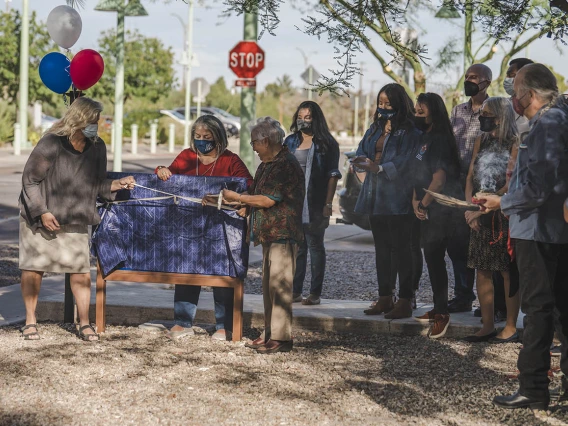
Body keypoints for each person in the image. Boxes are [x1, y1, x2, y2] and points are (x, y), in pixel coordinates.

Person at [480, 64, 568, 409]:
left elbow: (539, 187)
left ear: (530, 94)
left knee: (539, 309)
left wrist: (503, 201)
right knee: (560, 309)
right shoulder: (557, 119)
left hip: (537, 230)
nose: (512, 97)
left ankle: (533, 388)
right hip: (553, 230)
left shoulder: (548, 124)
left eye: (515, 89)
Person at [18, 97, 136, 341]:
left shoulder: (97, 147)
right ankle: (30, 321)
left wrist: (117, 184)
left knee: (81, 271)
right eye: (92, 120)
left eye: (98, 120)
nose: (96, 124)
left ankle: (84, 324)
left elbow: (97, 185)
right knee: (33, 268)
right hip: (41, 216)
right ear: (79, 119)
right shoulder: (51, 142)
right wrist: (42, 211)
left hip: (76, 217)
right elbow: (30, 180)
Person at [155, 115, 253, 341]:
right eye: (197, 137)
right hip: (188, 224)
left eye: (206, 137)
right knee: (186, 269)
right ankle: (182, 322)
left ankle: (224, 325)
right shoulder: (186, 157)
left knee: (223, 272)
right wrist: (161, 170)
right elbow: (167, 175)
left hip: (222, 227)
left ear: (218, 137)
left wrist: (243, 199)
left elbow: (247, 183)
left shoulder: (231, 160)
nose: (201, 141)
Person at [222, 117, 304, 354]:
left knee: (280, 286)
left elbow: (268, 199)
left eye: (254, 143)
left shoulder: (284, 165)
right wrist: (247, 205)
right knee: (269, 287)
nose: (253, 148)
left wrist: (237, 198)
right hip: (269, 233)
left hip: (283, 232)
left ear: (266, 141)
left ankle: (281, 337)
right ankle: (270, 332)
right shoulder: (267, 164)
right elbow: (257, 195)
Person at [351, 83, 421, 319]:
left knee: (403, 249)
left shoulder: (411, 131)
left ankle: (404, 299)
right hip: (375, 194)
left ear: (399, 104)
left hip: (397, 196)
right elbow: (362, 149)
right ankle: (384, 297)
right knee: (381, 248)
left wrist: (379, 167)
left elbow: (408, 161)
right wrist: (359, 161)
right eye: (380, 103)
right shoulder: (374, 128)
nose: (383, 108)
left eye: (388, 104)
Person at [462, 97, 520, 343]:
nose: (481, 117)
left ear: (500, 116)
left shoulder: (515, 144)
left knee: (507, 271)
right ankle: (487, 325)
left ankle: (510, 325)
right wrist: (469, 207)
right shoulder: (480, 141)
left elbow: (510, 184)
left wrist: (484, 207)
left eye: (487, 114)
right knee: (482, 269)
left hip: (502, 215)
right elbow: (469, 177)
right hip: (478, 214)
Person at [411, 93, 464, 339]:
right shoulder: (424, 138)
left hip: (442, 210)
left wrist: (423, 203)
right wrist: (415, 200)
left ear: (434, 112)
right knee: (432, 260)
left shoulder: (441, 139)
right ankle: (438, 307)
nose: (417, 115)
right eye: (416, 111)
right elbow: (418, 173)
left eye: (421, 112)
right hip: (426, 206)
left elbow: (439, 180)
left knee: (438, 259)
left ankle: (443, 314)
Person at [284, 101, 342, 306]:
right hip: (293, 203)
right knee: (298, 248)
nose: (303, 121)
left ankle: (315, 293)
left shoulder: (328, 143)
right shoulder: (290, 142)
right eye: (300, 117)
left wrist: (328, 203)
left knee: (315, 246)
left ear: (315, 119)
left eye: (307, 117)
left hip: (316, 203)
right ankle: (295, 291)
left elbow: (333, 175)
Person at [448, 63, 493, 313]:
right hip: (459, 185)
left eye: (474, 77)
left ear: (486, 81)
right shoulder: (457, 111)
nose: (468, 80)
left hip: (485, 186)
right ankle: (463, 295)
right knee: (458, 244)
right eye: (466, 76)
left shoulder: (494, 109)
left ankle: (492, 302)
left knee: (486, 246)